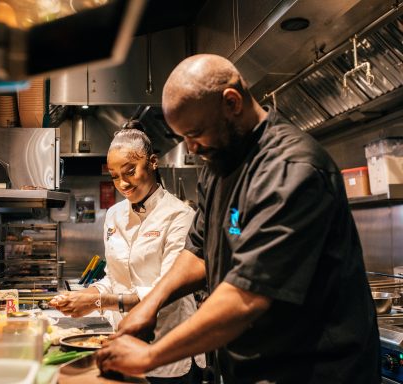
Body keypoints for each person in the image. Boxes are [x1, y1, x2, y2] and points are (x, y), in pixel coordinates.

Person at [96, 54, 381, 383]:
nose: (190, 148)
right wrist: (151, 304)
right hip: (250, 366)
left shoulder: (290, 171)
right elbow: (198, 251)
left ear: (231, 102)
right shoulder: (219, 165)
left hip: (314, 370)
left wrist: (150, 356)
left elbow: (247, 297)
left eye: (196, 133)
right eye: (183, 137)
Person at [50, 124, 206, 383]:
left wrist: (96, 303)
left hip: (169, 349)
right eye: (113, 175)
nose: (122, 183)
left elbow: (164, 290)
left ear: (153, 162)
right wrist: (81, 297)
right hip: (122, 345)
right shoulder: (113, 215)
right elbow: (113, 278)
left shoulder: (179, 215)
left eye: (130, 171)